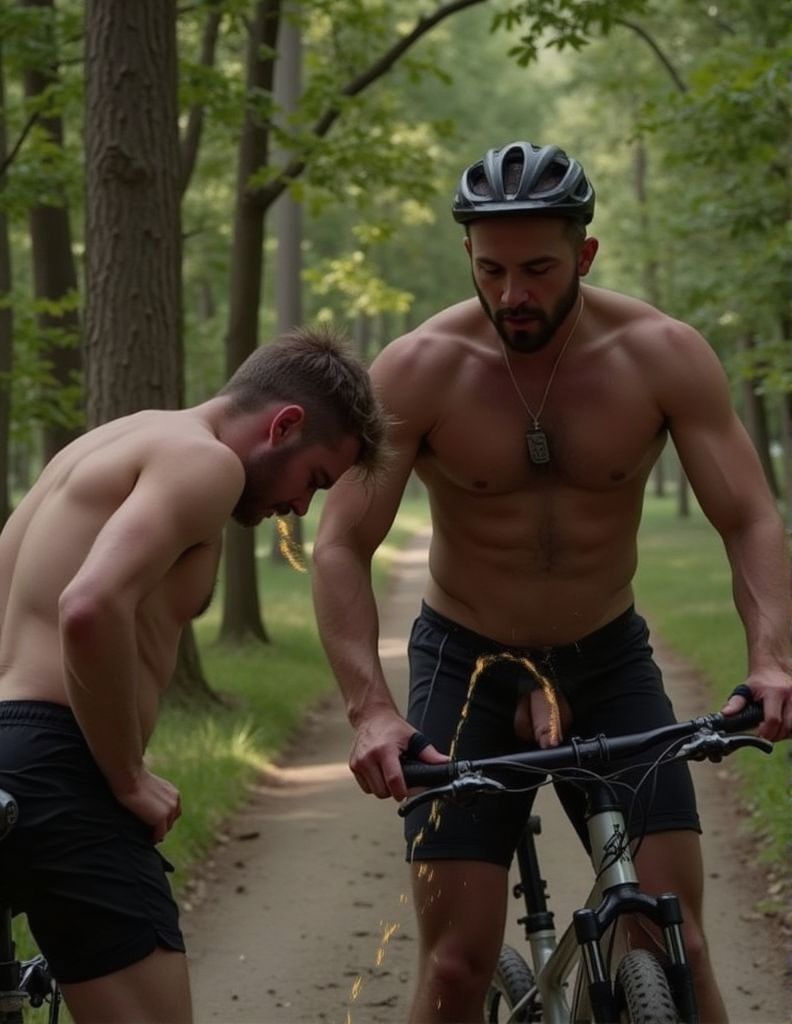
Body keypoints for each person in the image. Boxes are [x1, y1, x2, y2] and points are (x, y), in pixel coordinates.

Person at [312, 141, 792, 1024]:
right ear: (468, 258)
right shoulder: (420, 370)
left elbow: (750, 517)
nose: (512, 295)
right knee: (456, 965)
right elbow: (341, 543)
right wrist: (371, 709)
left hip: (608, 659)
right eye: (491, 270)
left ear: (585, 253)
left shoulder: (660, 355)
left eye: (537, 268)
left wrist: (770, 660)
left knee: (672, 933)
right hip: (468, 672)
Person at [0, 326, 385, 1024]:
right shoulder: (208, 465)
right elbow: (88, 607)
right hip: (63, 773)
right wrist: (126, 778)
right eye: (315, 480)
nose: (301, 509)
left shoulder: (114, 441)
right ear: (285, 424)